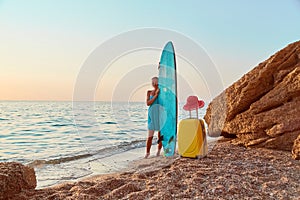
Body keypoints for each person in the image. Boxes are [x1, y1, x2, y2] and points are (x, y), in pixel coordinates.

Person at [145, 77, 162, 158]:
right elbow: (148, 103)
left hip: (160, 115)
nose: (154, 84)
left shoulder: (162, 92)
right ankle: (147, 153)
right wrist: (155, 95)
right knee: (150, 136)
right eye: (153, 83)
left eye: (156, 83)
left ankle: (158, 152)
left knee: (160, 135)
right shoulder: (149, 92)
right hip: (151, 115)